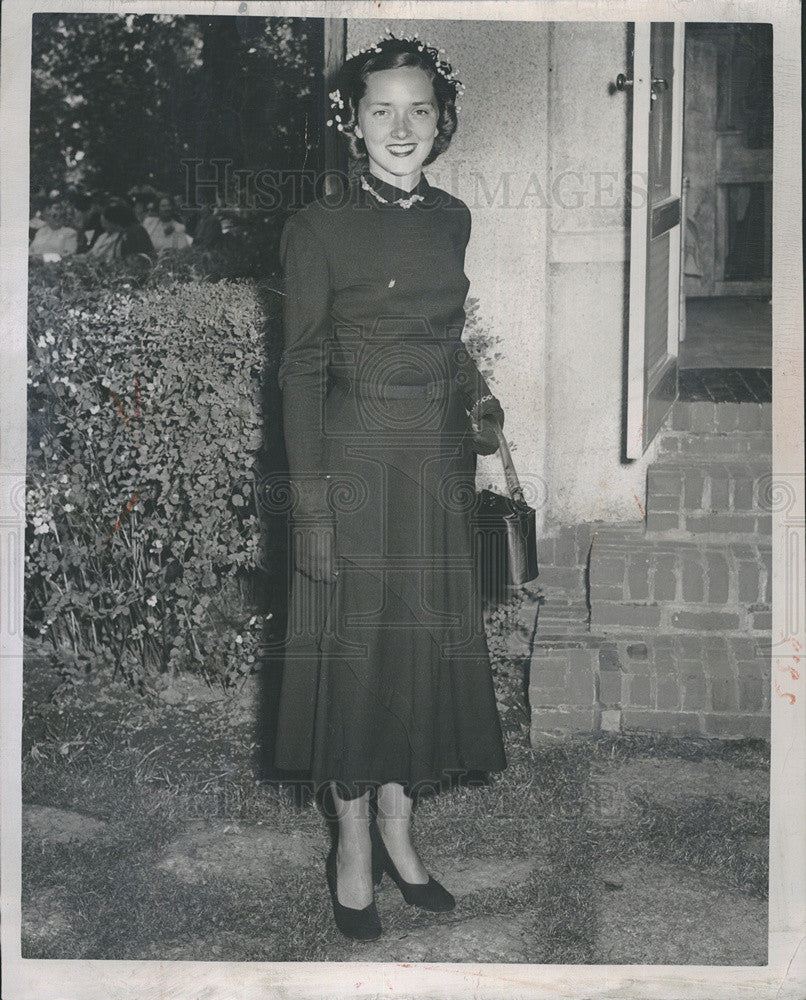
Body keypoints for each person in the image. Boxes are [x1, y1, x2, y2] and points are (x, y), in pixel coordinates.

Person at [274, 31, 507, 942]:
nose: (401, 126)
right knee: (356, 659)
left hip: (435, 471)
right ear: (351, 122)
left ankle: (406, 834)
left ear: (440, 120)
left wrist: (479, 399)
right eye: (382, 110)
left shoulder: (453, 218)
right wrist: (313, 509)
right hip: (355, 469)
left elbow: (449, 341)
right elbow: (297, 373)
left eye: (418, 110)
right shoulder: (316, 228)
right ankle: (354, 844)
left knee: (418, 656)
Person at [89, 201, 156, 262]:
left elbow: (134, 259)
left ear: (113, 221)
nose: (103, 226)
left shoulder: (134, 232)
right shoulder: (123, 233)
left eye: (105, 223)